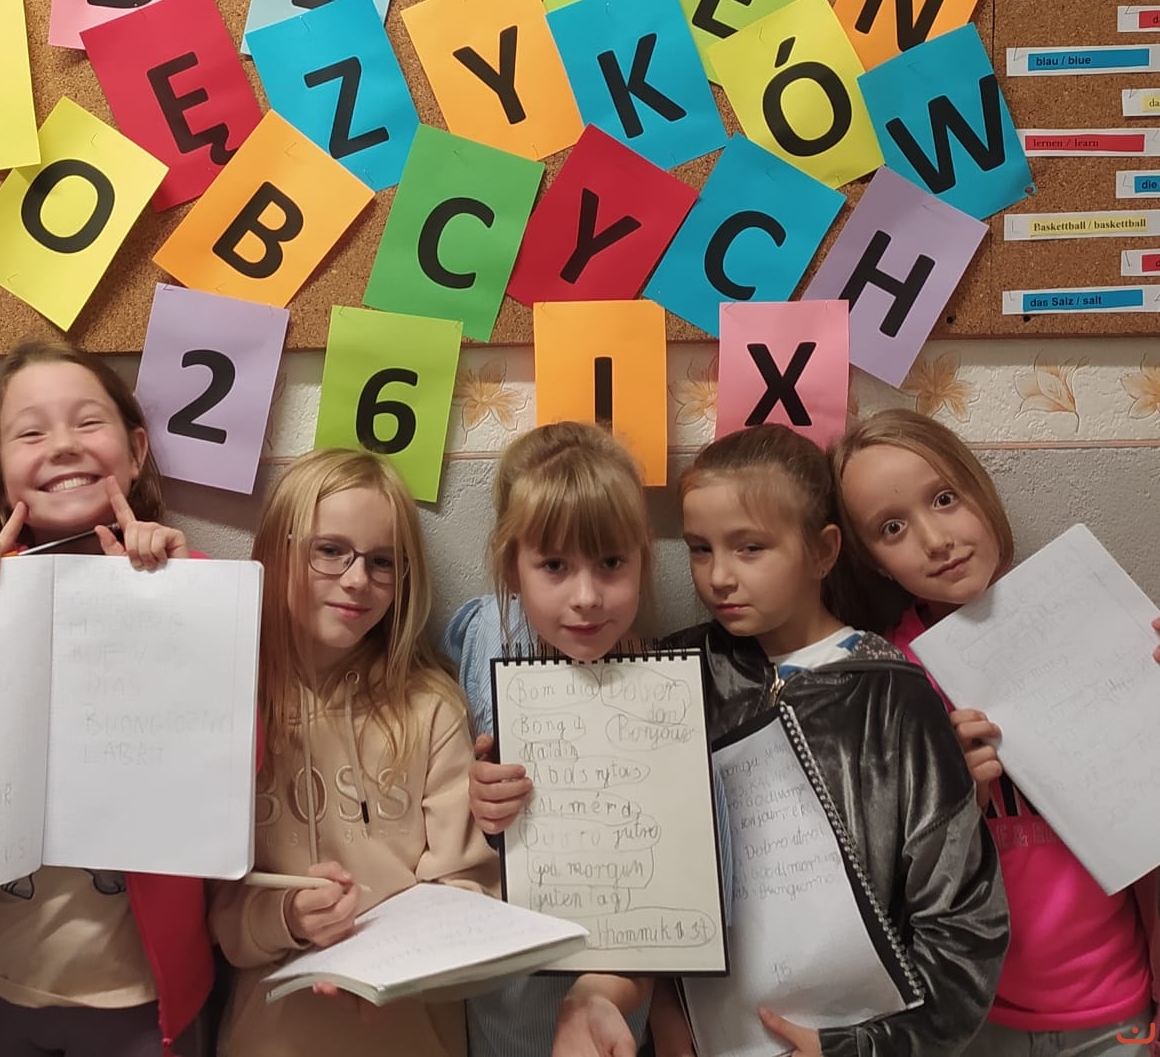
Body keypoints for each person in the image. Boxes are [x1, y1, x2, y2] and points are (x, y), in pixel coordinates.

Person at [556, 424, 1008, 1057]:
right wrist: (657, 1013)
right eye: (699, 549)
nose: (719, 577)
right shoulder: (672, 676)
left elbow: (961, 922)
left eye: (750, 548)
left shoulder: (892, 696)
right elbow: (629, 866)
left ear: (823, 552)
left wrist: (861, 1047)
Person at [0, 341, 210, 1057]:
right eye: (30, 432)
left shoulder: (195, 584)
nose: (64, 445)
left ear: (136, 452)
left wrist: (175, 600)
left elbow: (238, 764)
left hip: (140, 998)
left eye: (88, 422)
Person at [832, 409, 1159, 1057]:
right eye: (892, 528)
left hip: (1116, 1007)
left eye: (944, 499)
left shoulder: (1098, 627)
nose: (936, 540)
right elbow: (878, 889)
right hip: (969, 1020)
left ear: (981, 493)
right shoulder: (888, 682)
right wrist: (951, 800)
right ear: (873, 561)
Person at [210, 447, 497, 1057]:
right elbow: (211, 908)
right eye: (330, 550)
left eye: (382, 560)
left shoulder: (432, 709)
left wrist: (399, 962)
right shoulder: (228, 701)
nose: (358, 580)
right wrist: (285, 917)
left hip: (411, 1036)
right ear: (279, 551)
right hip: (270, 1039)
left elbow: (469, 891)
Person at [445, 421, 695, 1057]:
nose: (586, 598)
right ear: (512, 569)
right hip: (501, 1010)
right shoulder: (488, 635)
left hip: (613, 1001)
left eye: (611, 563)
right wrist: (480, 806)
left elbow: (677, 889)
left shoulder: (664, 693)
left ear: (643, 560)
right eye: (554, 565)